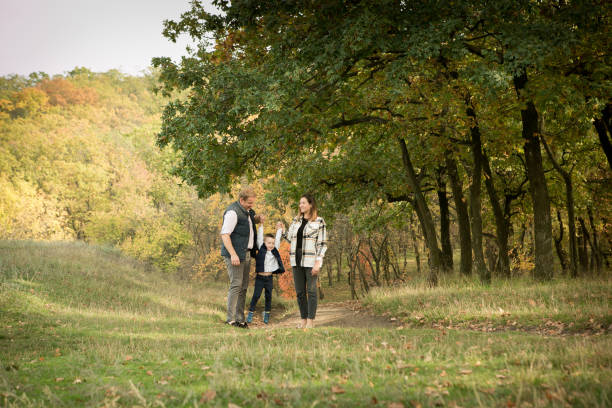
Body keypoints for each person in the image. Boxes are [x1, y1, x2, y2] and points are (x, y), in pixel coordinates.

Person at [279, 193, 327, 329]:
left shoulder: (319, 221)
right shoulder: (296, 221)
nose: (301, 205)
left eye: (303, 203)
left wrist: (318, 262)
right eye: (300, 203)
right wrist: (282, 230)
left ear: (311, 205)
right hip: (296, 260)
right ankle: (303, 320)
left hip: (311, 260)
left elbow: (322, 244)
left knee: (311, 291)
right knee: (300, 292)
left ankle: (311, 321)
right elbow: (290, 239)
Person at [220, 187, 259, 328]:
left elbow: (246, 225)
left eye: (253, 203)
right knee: (236, 285)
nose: (251, 205)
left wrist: (257, 219)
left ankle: (240, 320)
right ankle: (230, 320)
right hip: (235, 254)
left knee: (243, 287)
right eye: (249, 202)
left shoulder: (246, 212)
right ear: (241, 200)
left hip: (246, 253)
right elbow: (225, 235)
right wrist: (233, 254)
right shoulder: (232, 212)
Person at [246, 224, 285, 324]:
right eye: (269, 243)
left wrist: (279, 229)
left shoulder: (275, 249)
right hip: (260, 278)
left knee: (269, 296)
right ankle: (250, 313)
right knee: (256, 296)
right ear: (264, 243)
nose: (271, 245)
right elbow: (259, 237)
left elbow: (277, 239)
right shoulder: (261, 248)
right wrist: (261, 225)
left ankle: (266, 314)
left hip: (269, 278)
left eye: (272, 243)